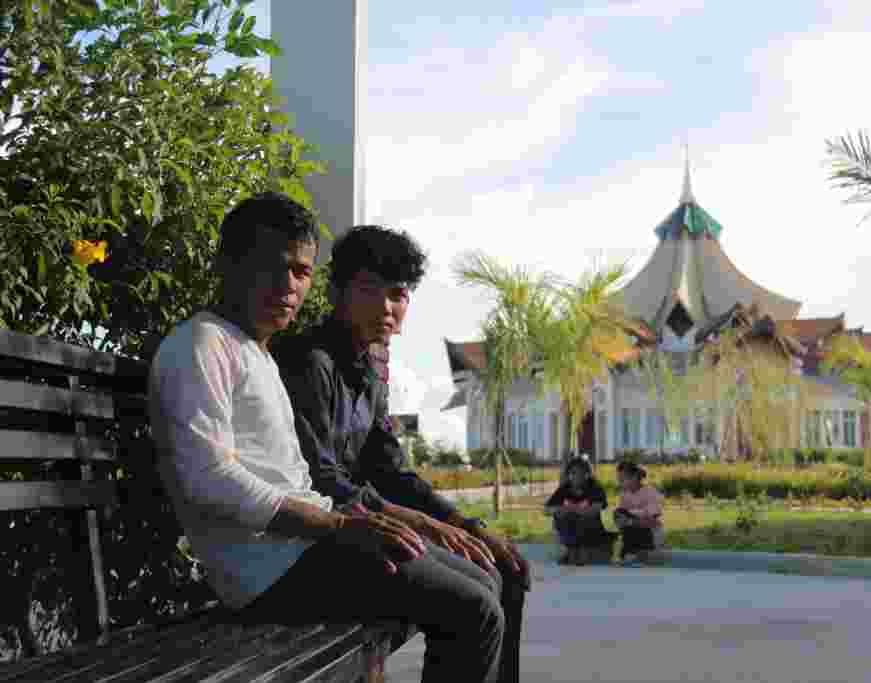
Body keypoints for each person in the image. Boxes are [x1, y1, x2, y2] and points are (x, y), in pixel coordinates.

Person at [148, 193, 505, 683]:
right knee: (476, 610)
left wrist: (359, 523)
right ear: (228, 264)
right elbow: (207, 478)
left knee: (486, 580)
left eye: (300, 271)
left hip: (306, 552)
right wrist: (338, 529)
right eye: (270, 266)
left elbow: (305, 478)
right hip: (270, 572)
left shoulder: (257, 352)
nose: (288, 285)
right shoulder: (202, 343)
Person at [271, 224, 531, 683]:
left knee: (503, 569)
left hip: (371, 530)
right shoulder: (310, 362)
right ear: (337, 292)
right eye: (372, 289)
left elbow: (393, 472)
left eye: (400, 294)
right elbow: (320, 480)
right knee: (477, 605)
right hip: (325, 541)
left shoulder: (369, 371)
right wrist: (424, 524)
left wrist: (468, 526)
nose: (388, 307)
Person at [544, 456, 612, 565]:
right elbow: (547, 509)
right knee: (560, 516)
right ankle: (572, 551)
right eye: (573, 473)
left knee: (583, 518)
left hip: (591, 528)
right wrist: (559, 510)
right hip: (570, 526)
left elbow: (595, 509)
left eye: (581, 473)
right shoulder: (564, 488)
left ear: (587, 474)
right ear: (569, 474)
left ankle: (581, 552)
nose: (576, 476)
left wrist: (573, 509)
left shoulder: (595, 487)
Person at [613, 461, 664, 565]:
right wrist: (621, 520)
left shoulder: (651, 492)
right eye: (619, 479)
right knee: (618, 512)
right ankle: (630, 553)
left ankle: (643, 554)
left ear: (635, 477)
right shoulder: (624, 495)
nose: (620, 482)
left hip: (650, 533)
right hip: (632, 531)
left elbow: (652, 520)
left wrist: (630, 521)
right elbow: (621, 517)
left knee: (632, 523)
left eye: (622, 479)